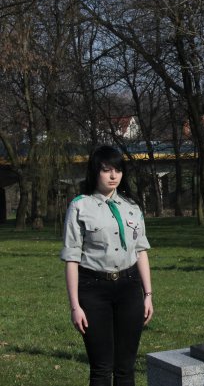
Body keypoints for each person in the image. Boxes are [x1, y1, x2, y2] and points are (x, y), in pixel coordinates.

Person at [61, 145, 153, 386]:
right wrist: (75, 307)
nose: (113, 176)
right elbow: (72, 259)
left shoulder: (132, 207)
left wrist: (148, 294)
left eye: (118, 170)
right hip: (93, 290)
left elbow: (141, 251)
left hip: (129, 287)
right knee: (101, 368)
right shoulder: (80, 206)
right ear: (95, 172)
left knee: (126, 368)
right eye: (106, 170)